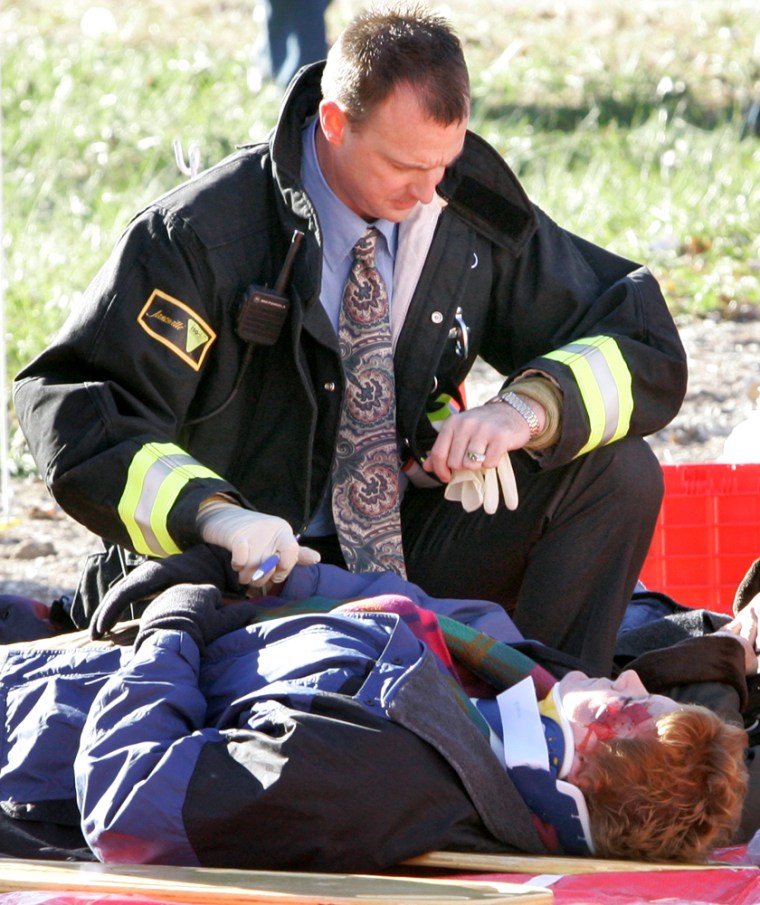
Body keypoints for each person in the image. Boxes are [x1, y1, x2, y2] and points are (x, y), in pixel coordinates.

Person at [12, 4, 688, 676]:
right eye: (404, 166)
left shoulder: (461, 203)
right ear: (334, 123)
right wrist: (215, 517)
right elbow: (76, 410)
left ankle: (559, 724)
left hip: (398, 544)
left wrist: (524, 412)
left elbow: (638, 334)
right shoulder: (201, 237)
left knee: (618, 475)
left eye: (444, 161)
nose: (429, 193)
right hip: (242, 574)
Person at [0, 547, 746, 867]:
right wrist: (234, 563)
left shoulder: (382, 774)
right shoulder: (507, 688)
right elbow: (391, 603)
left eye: (634, 712)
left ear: (585, 769)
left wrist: (170, 629)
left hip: (28, 751)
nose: (635, 684)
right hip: (58, 670)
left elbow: (131, 797)